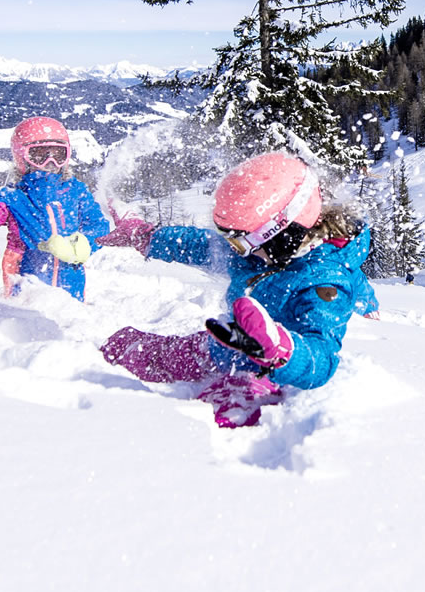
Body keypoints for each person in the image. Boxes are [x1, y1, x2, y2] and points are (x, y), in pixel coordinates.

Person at [96, 153, 376, 428]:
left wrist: (278, 348)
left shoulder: (323, 282)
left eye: (241, 242)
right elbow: (200, 245)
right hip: (224, 347)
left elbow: (322, 358)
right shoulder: (260, 251)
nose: (235, 251)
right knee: (132, 350)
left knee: (219, 417)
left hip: (268, 372)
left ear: (284, 233)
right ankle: (96, 353)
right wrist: (148, 237)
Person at [0, 116, 110, 301]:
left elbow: (99, 226)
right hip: (25, 285)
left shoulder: (76, 190)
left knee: (68, 319)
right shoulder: (13, 196)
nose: (50, 163)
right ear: (22, 158)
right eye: (39, 155)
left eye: (58, 155)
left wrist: (82, 245)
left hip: (72, 289)